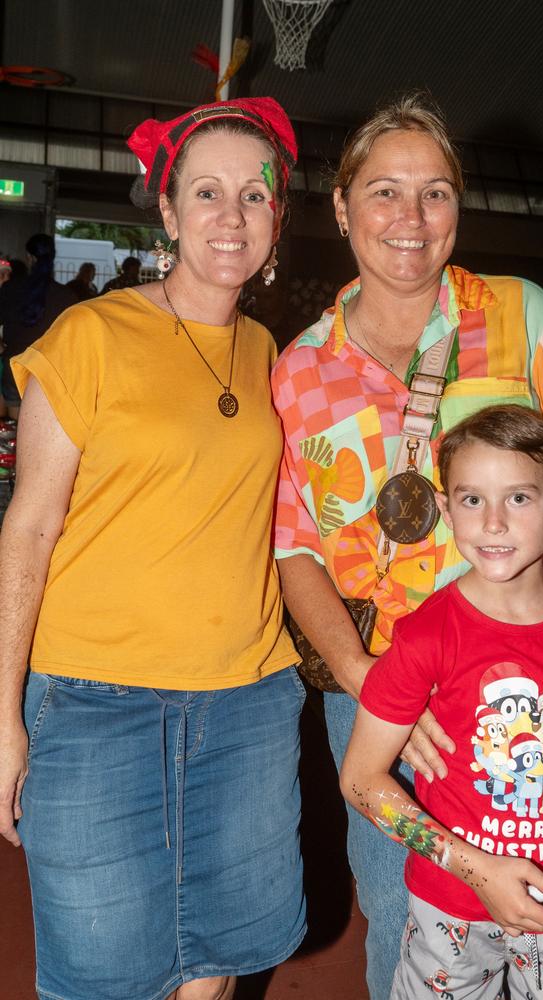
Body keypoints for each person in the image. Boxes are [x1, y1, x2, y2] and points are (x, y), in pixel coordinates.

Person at [271, 93, 543, 998]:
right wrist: (373, 685)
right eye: (385, 192)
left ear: (460, 207)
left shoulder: (524, 315)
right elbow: (296, 552)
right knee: (415, 935)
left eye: (435, 193)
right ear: (341, 206)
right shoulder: (301, 368)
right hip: (396, 705)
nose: (410, 219)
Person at [0, 97, 305, 1000]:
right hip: (95, 702)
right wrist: (2, 714)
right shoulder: (89, 336)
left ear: (277, 219)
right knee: (100, 976)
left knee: (216, 956)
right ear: (167, 212)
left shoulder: (268, 351)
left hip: (246, 699)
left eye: (255, 195)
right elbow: (28, 529)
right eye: (207, 193)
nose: (232, 216)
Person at [341, 404, 543, 999]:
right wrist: (478, 871)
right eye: (472, 499)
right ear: (445, 505)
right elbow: (360, 779)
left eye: (519, 498)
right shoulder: (425, 634)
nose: (493, 524)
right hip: (449, 909)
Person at [0, 234, 76, 419]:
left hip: (15, 365)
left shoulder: (10, 289)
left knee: (14, 431)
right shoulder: (67, 296)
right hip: (49, 373)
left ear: (29, 257)